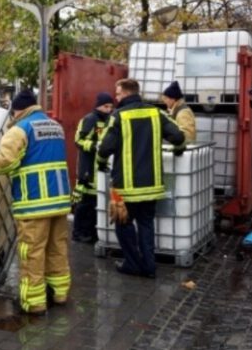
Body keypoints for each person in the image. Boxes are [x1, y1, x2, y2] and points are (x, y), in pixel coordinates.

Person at [0, 89, 71, 315]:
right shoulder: (54, 126)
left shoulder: (20, 129)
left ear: (17, 110)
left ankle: (34, 302)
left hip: (34, 202)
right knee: (57, 248)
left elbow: (4, 163)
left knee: (32, 252)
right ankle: (60, 293)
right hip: (59, 200)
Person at [97, 79, 185, 278]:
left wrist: (101, 163)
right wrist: (179, 150)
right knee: (146, 224)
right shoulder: (156, 113)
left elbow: (104, 148)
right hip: (151, 186)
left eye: (118, 94)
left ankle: (132, 263)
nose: (116, 98)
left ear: (126, 94)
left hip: (123, 188)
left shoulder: (118, 116)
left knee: (123, 224)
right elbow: (178, 137)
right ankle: (149, 266)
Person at [71, 92, 114, 243]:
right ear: (98, 106)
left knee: (96, 203)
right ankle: (78, 233)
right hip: (88, 168)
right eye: (106, 106)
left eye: (110, 106)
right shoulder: (90, 119)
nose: (109, 109)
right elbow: (78, 140)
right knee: (84, 204)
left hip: (101, 169)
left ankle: (91, 232)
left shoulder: (109, 121)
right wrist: (95, 146)